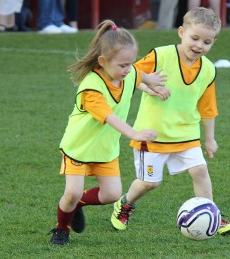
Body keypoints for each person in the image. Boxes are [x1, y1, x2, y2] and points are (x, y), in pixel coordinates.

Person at [110, 7, 230, 236]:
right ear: (181, 32)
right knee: (149, 183)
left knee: (200, 171)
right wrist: (150, 87)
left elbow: (208, 108)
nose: (199, 46)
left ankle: (212, 214)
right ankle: (124, 204)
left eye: (207, 42)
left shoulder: (208, 69)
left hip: (186, 133)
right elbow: (131, 75)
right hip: (152, 134)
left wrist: (209, 139)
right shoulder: (161, 55)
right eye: (194, 38)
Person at [48, 19, 170, 245]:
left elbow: (137, 75)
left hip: (105, 150)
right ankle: (61, 228)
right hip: (79, 148)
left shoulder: (127, 72)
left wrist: (150, 82)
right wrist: (134, 133)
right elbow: (110, 117)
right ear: (103, 61)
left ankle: (78, 206)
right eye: (122, 65)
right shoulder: (91, 88)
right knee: (71, 193)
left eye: (130, 63)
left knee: (112, 194)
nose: (128, 69)